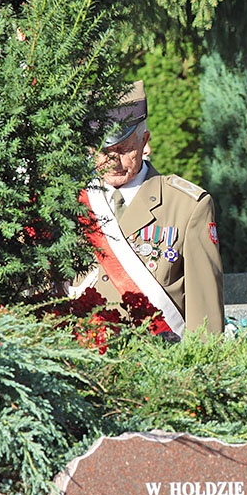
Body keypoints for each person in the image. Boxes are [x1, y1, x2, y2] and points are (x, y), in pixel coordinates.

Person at [74, 81, 225, 337]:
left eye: (123, 149)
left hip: (156, 363)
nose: (111, 161)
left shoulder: (187, 206)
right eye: (102, 150)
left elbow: (206, 316)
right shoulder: (72, 203)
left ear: (145, 142)